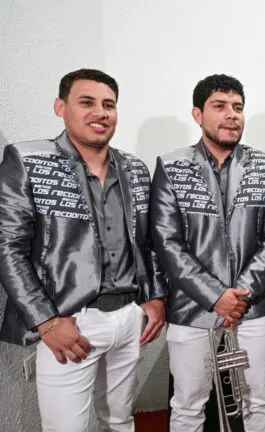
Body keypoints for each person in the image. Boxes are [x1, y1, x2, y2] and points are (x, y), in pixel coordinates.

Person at [0, 68, 166, 432]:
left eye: (109, 105)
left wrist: (155, 297)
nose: (100, 112)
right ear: (60, 107)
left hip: (129, 317)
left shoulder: (135, 168)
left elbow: (148, 242)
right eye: (87, 102)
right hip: (69, 321)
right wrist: (46, 321)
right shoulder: (28, 160)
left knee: (120, 421)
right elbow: (8, 247)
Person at [150, 74, 265, 431]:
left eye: (238, 107)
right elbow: (166, 241)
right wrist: (215, 296)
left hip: (253, 307)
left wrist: (239, 296)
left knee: (259, 399)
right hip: (191, 308)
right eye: (220, 106)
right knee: (188, 404)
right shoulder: (171, 165)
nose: (231, 115)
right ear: (197, 114)